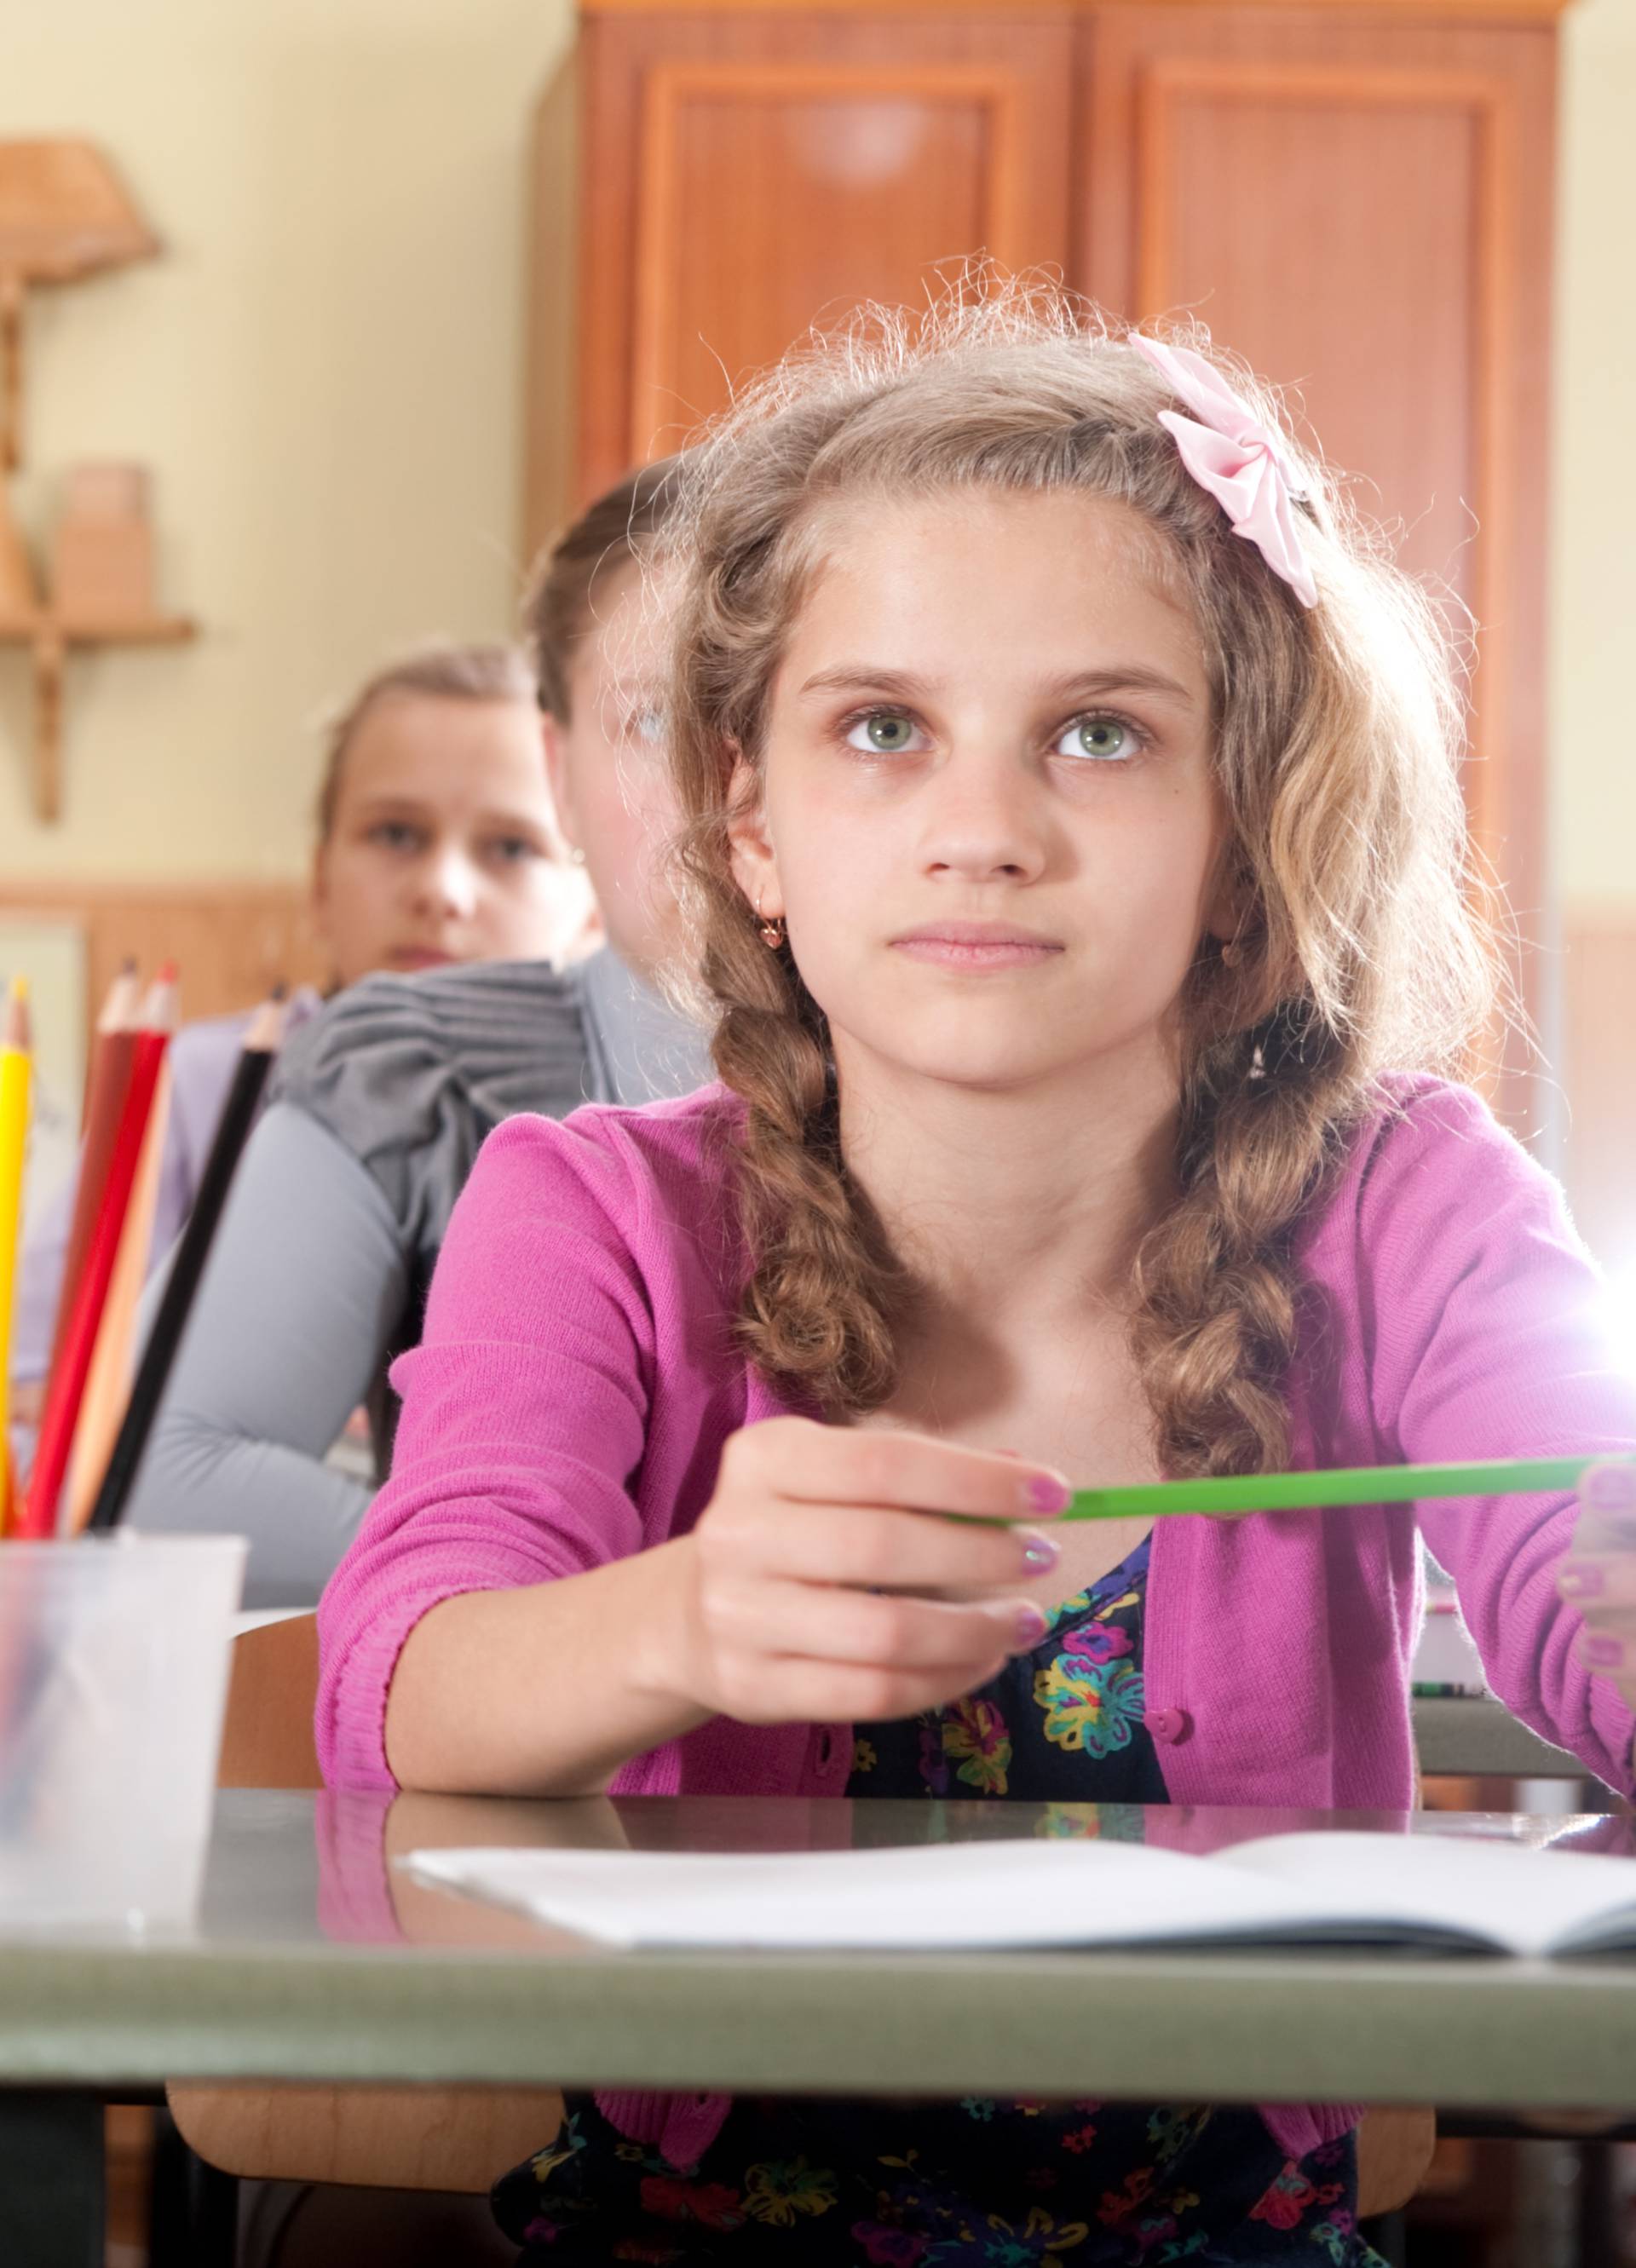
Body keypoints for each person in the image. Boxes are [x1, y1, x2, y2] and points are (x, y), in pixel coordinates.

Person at [316, 293, 1636, 2265]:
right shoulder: (589, 1210)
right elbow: (395, 1677)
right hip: (687, 2228)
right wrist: (679, 1623)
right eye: (881, 730)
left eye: (1099, 734)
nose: (984, 831)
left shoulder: (1407, 1200)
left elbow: (1580, 1560)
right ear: (752, 828)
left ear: (1243, 838)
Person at [123, 462, 712, 1605]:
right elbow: (169, 1466)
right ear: (566, 774)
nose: (722, 783)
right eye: (652, 721)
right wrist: (600, 1610)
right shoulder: (408, 1072)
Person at [9, 641, 579, 1435]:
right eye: (397, 835)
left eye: (512, 848)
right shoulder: (192, 1089)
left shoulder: (611, 1136)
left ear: (589, 909)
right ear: (318, 883)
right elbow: (32, 1394)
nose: (442, 892)